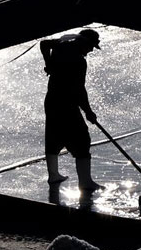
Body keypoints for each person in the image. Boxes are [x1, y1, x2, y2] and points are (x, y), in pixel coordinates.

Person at [40, 28, 103, 192]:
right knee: (82, 140)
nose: (90, 51)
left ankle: (53, 175)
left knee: (53, 136)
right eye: (91, 47)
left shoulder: (62, 45)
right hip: (67, 105)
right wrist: (88, 111)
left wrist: (48, 63)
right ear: (84, 43)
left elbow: (44, 44)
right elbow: (79, 91)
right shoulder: (79, 62)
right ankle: (85, 183)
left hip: (52, 101)